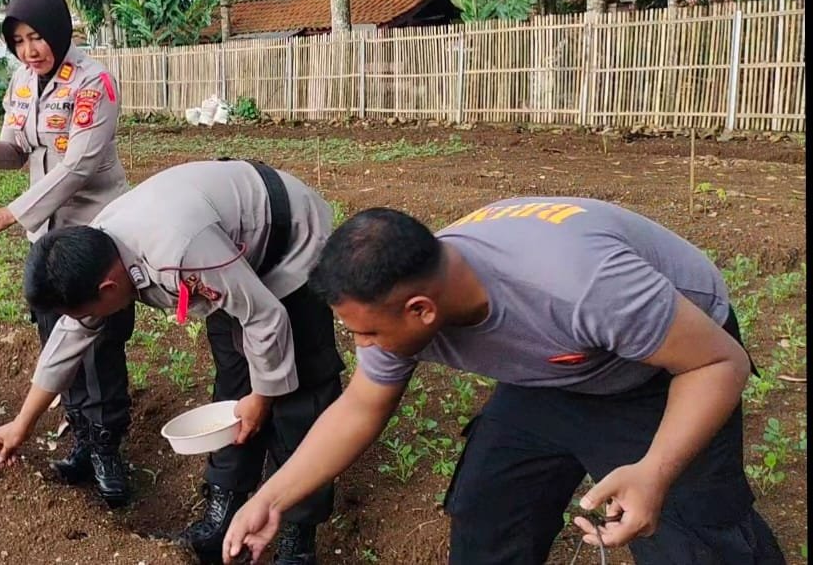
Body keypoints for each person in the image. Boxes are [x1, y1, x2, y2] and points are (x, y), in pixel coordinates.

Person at [223, 197, 785, 565]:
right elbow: (360, 407)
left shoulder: (579, 285)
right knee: (489, 512)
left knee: (697, 542)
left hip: (668, 368)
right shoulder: (400, 294)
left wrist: (654, 473)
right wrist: (271, 497)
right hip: (551, 374)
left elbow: (719, 363)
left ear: (421, 310)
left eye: (367, 334)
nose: (363, 347)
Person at [0, 160, 345, 564]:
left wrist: (263, 397)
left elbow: (266, 315)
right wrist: (22, 424)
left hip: (288, 239)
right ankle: (224, 514)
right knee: (234, 387)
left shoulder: (179, 253)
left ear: (107, 287)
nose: (83, 322)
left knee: (300, 392)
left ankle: (298, 537)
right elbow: (70, 338)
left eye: (84, 311)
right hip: (227, 252)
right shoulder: (96, 254)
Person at [0, 0, 135, 508]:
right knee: (55, 331)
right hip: (47, 236)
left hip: (95, 232)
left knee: (97, 341)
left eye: (37, 37)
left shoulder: (93, 82)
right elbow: (19, 148)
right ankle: (81, 436)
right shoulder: (23, 82)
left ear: (58, 29)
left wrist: (9, 213)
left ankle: (106, 448)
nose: (30, 49)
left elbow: (78, 165)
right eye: (18, 40)